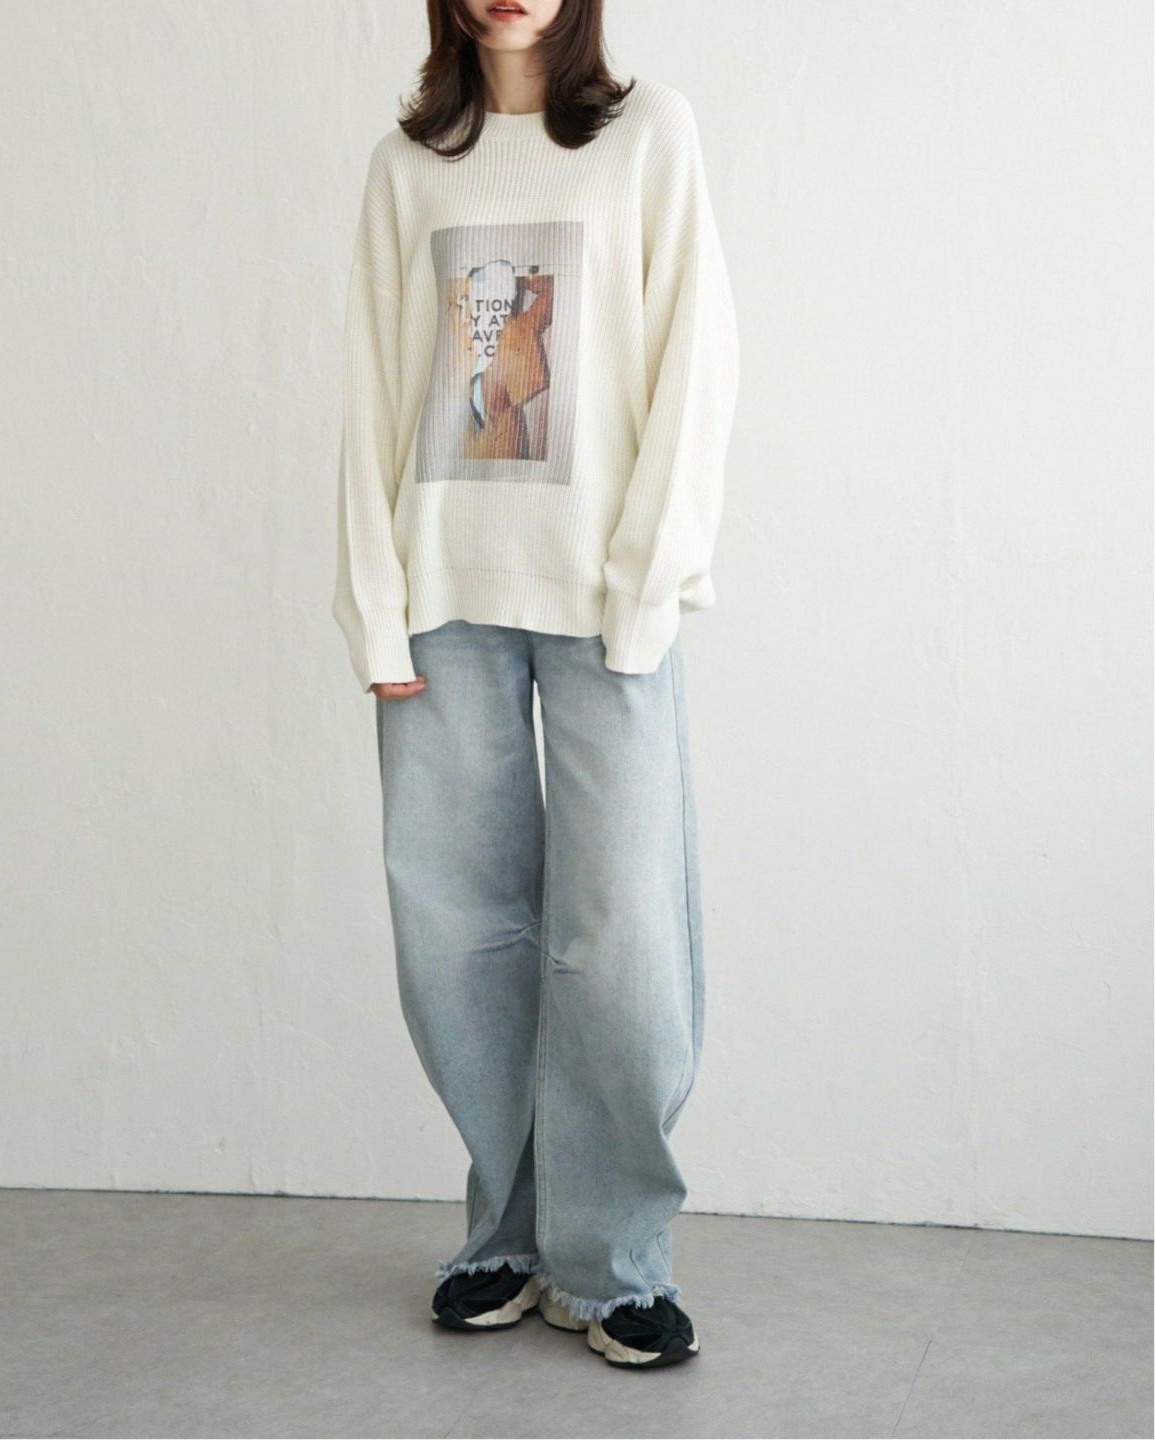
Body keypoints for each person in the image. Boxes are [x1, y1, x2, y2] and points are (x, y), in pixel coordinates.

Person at [333, 0, 739, 1371]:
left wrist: (651, 579)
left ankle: (612, 1260)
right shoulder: (408, 167)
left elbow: (697, 358)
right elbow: (373, 385)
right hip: (442, 595)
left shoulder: (646, 136)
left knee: (621, 935)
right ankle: (505, 1233)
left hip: (605, 596)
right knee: (457, 931)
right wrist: (376, 608)